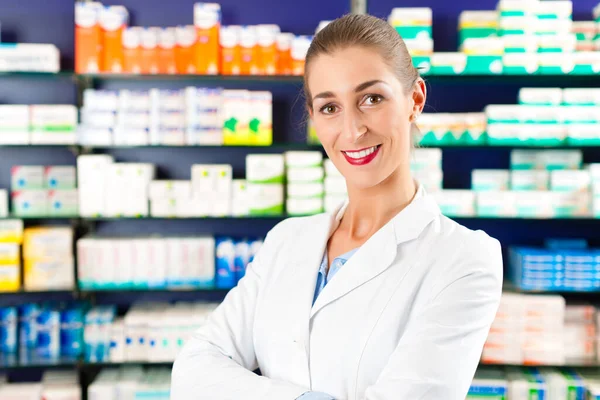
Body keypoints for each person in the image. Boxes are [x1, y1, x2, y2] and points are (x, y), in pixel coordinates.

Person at [171, 13, 503, 400]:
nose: (353, 129)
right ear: (313, 118)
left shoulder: (464, 258)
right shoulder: (287, 240)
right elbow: (194, 369)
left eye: (372, 99)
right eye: (330, 108)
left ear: (415, 99)